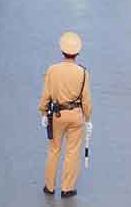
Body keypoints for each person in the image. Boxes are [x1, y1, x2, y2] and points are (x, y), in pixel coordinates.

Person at [38, 31, 91, 198]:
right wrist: (88, 118)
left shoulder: (52, 70)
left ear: (62, 51)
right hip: (76, 116)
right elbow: (86, 100)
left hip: (57, 115)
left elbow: (46, 94)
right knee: (72, 152)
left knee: (54, 150)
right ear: (77, 52)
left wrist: (43, 111)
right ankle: (67, 188)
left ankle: (50, 186)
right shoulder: (83, 73)